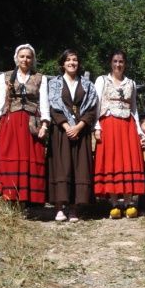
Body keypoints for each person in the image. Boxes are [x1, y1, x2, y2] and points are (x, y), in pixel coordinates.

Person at [0, 43, 49, 205]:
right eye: (22, 56)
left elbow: (44, 103)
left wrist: (44, 125)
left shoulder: (40, 78)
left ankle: (29, 198)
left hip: (31, 124)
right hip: (10, 123)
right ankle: (10, 196)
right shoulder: (5, 77)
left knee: (31, 157)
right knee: (10, 156)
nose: (25, 59)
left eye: (28, 57)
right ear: (16, 58)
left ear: (33, 59)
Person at [93, 50, 145, 219]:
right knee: (112, 159)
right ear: (110, 63)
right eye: (115, 61)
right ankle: (115, 202)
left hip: (127, 125)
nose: (118, 64)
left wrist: (138, 131)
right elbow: (96, 104)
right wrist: (96, 126)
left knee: (128, 160)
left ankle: (129, 201)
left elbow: (134, 109)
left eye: (121, 61)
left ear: (125, 63)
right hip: (108, 124)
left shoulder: (131, 83)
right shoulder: (102, 80)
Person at [47, 49, 98, 222]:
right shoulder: (54, 84)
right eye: (68, 60)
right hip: (60, 131)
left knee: (79, 167)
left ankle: (74, 209)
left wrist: (79, 126)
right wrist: (67, 126)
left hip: (81, 132)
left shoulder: (87, 85)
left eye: (75, 60)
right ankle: (60, 207)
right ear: (62, 63)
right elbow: (53, 107)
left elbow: (92, 109)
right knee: (62, 167)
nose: (72, 63)